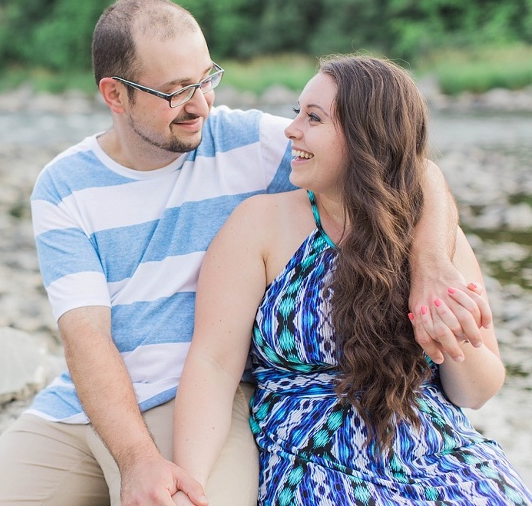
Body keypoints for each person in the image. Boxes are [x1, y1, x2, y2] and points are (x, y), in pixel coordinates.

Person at [0, 0, 490, 505]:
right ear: (115, 95)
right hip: (87, 405)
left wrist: (430, 264)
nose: (200, 104)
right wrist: (137, 460)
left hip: (193, 400)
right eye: (175, 91)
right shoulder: (64, 186)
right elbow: (85, 337)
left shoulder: (249, 142)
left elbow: (402, 165)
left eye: (206, 78)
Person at [172, 54, 532, 506]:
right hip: (314, 461)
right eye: (297, 113)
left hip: (437, 452)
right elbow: (214, 365)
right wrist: (190, 481)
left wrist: (450, 328)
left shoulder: (431, 240)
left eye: (314, 118)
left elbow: (476, 393)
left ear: (367, 137)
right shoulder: (260, 225)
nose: (291, 130)